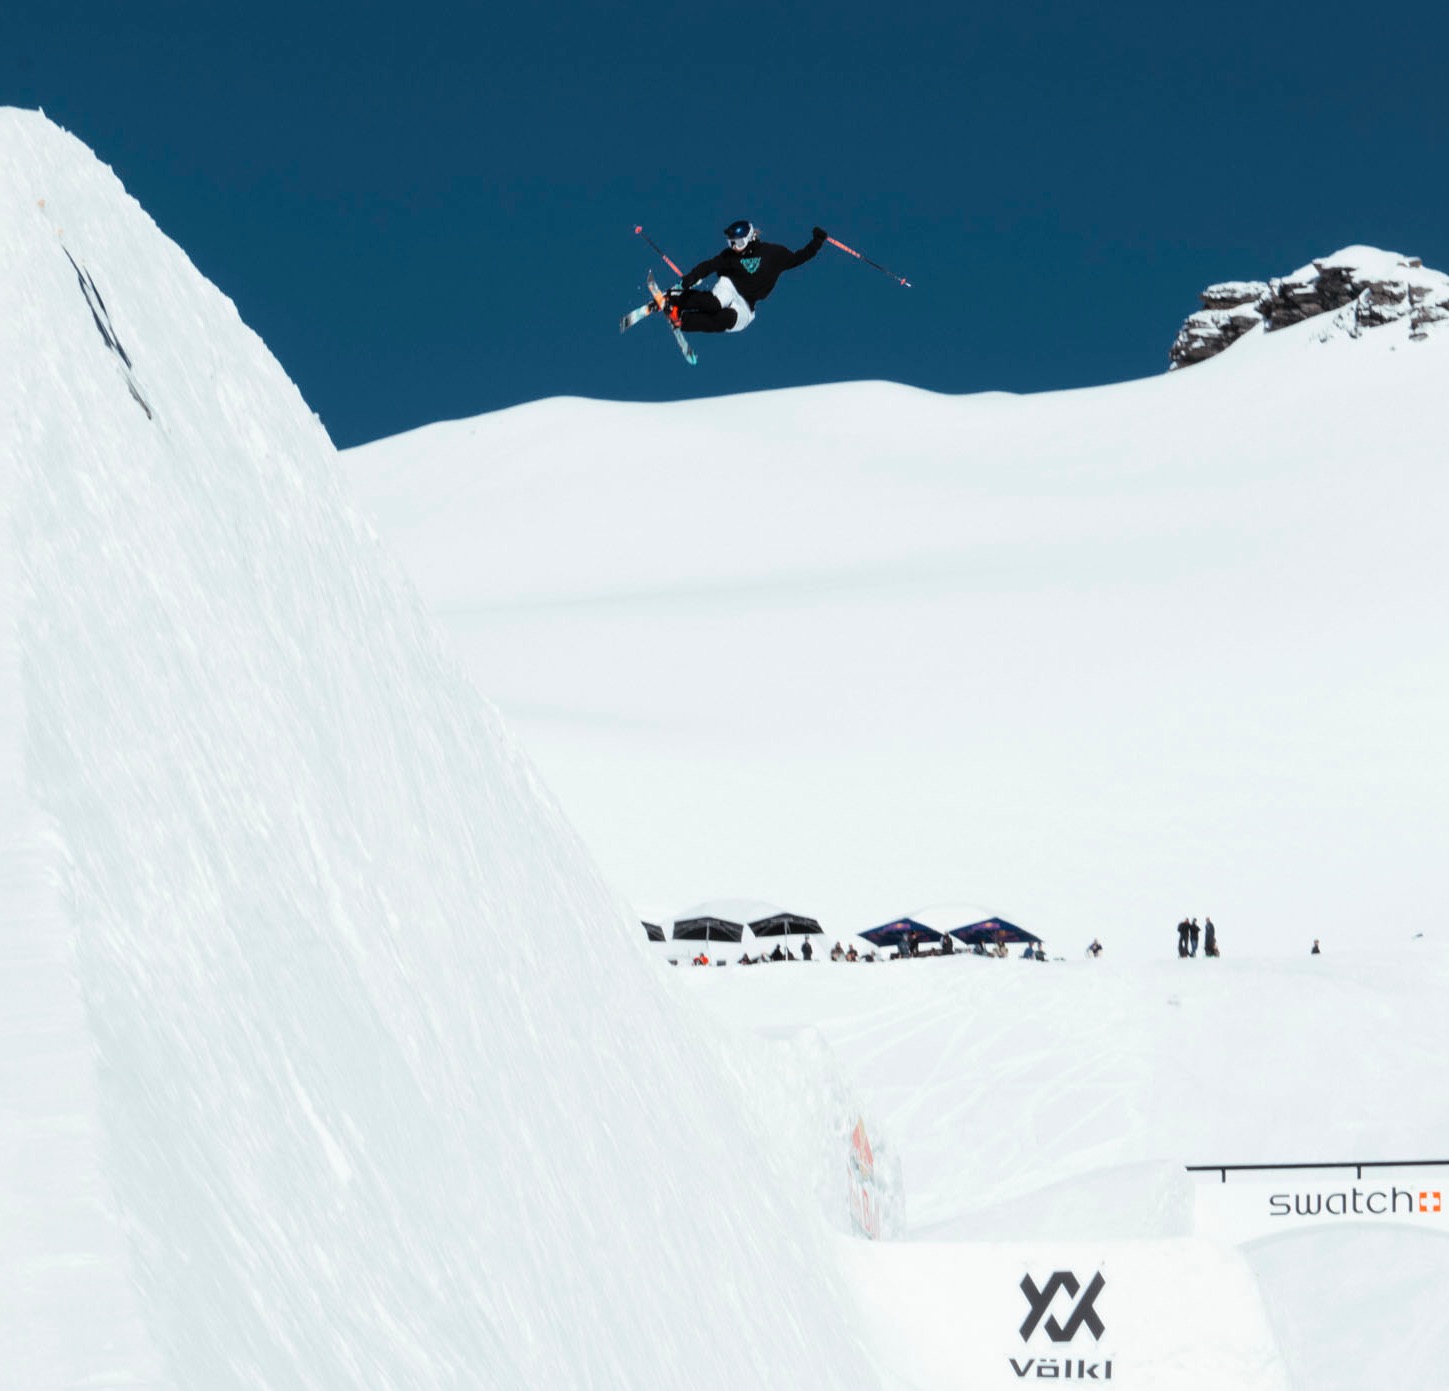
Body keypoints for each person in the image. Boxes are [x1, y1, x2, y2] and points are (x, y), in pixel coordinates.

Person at [663, 221, 828, 334]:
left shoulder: (773, 254)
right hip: (730, 286)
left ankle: (682, 320)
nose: (735, 247)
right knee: (714, 303)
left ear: (750, 238)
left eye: (739, 243)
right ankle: (675, 299)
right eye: (731, 243)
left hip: (746, 304)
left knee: (725, 319)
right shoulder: (729, 256)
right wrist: (693, 277)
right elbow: (710, 265)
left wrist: (817, 242)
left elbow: (799, 257)